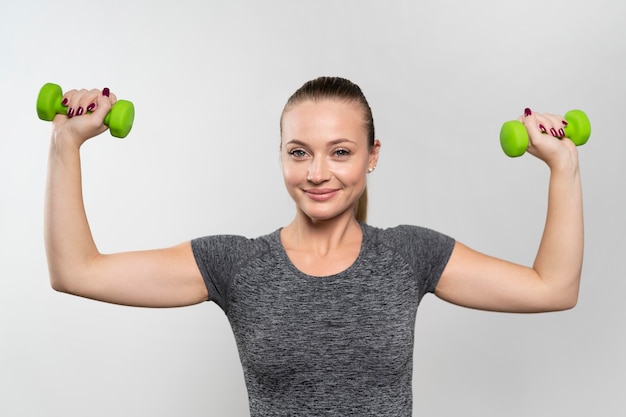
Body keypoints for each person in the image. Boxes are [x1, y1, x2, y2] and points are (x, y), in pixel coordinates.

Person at [44, 77, 583, 416]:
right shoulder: (236, 264)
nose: (318, 173)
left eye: (340, 151)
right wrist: (66, 143)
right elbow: (77, 270)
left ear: (372, 156)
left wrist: (564, 166)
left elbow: (552, 288)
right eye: (299, 152)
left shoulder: (408, 255)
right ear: (280, 155)